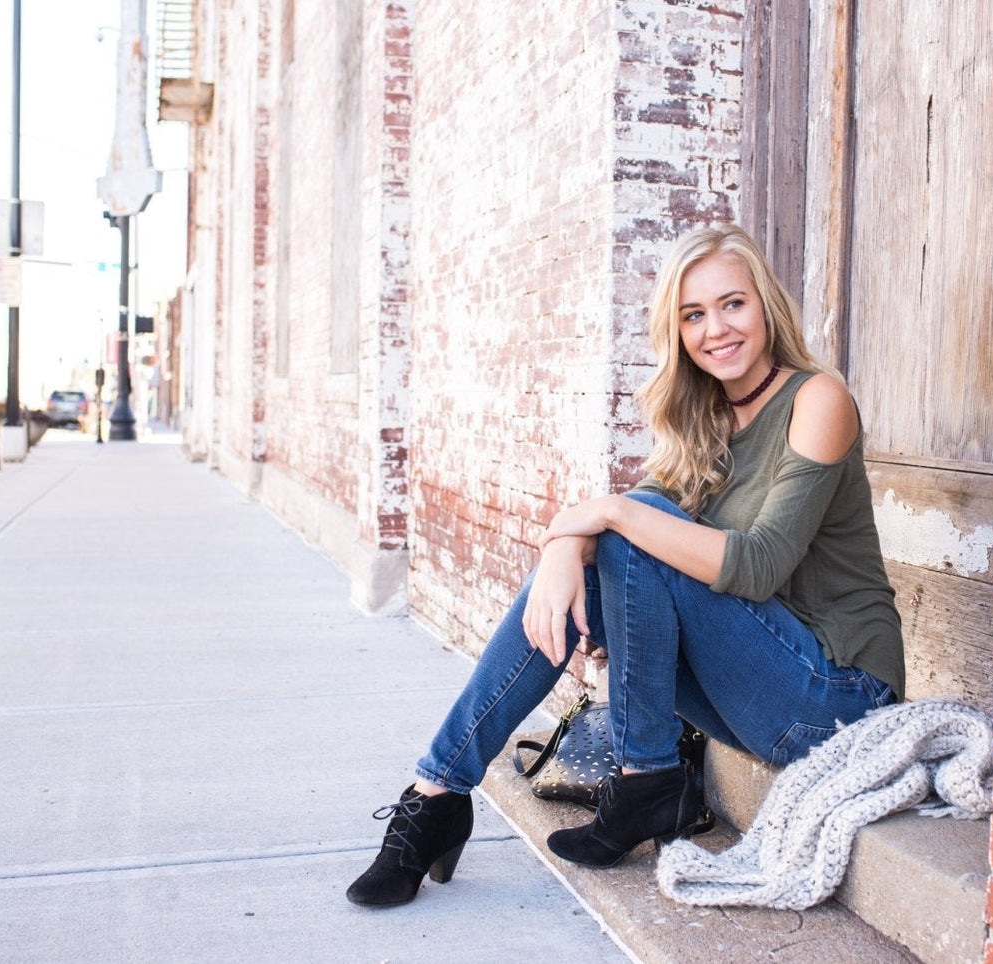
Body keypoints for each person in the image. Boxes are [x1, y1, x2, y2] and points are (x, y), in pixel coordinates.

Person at [346, 223, 904, 908]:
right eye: (692, 315)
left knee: (628, 523)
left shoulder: (819, 399)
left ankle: (646, 777)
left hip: (838, 699)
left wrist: (602, 518)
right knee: (620, 531)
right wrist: (562, 549)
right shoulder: (702, 419)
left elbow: (755, 567)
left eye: (732, 303)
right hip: (762, 689)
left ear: (765, 306)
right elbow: (629, 528)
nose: (715, 329)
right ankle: (437, 794)